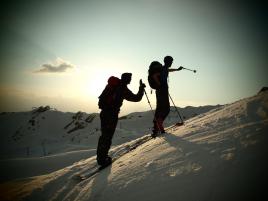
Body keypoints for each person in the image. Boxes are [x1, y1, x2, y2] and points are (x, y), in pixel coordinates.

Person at [97, 73, 146, 167]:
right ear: (127, 79)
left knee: (104, 135)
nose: (130, 80)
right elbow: (136, 98)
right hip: (112, 114)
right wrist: (141, 88)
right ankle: (103, 159)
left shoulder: (113, 85)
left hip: (104, 113)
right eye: (130, 78)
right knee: (107, 136)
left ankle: (101, 157)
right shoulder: (123, 88)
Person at [152, 56, 183, 137]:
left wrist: (177, 69)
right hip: (162, 90)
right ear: (168, 61)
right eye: (171, 61)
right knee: (166, 109)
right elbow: (155, 76)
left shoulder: (164, 68)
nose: (172, 62)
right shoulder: (163, 69)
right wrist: (160, 85)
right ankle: (159, 124)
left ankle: (156, 128)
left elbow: (168, 70)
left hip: (160, 91)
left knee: (159, 108)